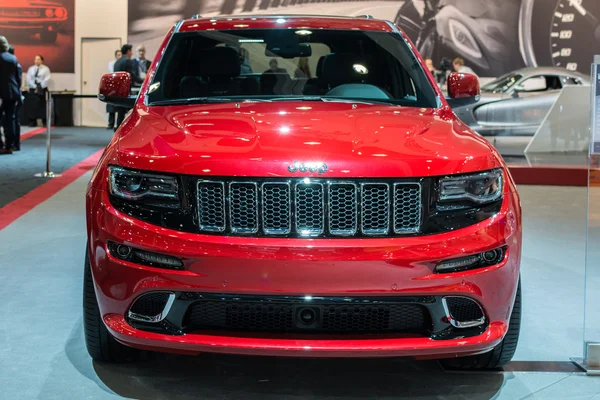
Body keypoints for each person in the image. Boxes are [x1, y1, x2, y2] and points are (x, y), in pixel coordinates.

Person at [113, 44, 144, 130]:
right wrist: (143, 81)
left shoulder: (117, 62)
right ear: (128, 51)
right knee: (129, 111)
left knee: (120, 112)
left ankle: (118, 130)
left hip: (117, 90)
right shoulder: (127, 61)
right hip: (124, 90)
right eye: (131, 51)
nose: (132, 53)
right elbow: (131, 75)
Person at [0, 36, 20, 154]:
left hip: (1, 93)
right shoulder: (13, 58)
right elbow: (17, 77)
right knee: (10, 119)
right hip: (12, 92)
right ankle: (10, 145)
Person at [25, 54, 51, 127]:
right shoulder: (31, 68)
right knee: (32, 105)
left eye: (38, 59)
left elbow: (47, 79)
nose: (36, 61)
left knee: (42, 105)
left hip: (42, 88)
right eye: (35, 59)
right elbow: (28, 79)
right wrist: (34, 86)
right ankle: (32, 122)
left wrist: (39, 87)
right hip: (33, 88)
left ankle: (44, 121)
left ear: (42, 61)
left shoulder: (46, 69)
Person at [8, 45, 22, 151]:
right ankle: (15, 144)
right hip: (15, 94)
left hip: (13, 95)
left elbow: (18, 82)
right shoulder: (16, 64)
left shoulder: (15, 65)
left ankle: (15, 143)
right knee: (14, 120)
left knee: (13, 119)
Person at [106, 49, 122, 130]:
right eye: (118, 55)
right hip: (112, 85)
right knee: (111, 105)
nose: (119, 56)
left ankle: (118, 124)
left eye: (120, 55)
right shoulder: (111, 63)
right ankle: (110, 123)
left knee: (119, 105)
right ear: (115, 56)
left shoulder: (122, 63)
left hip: (120, 85)